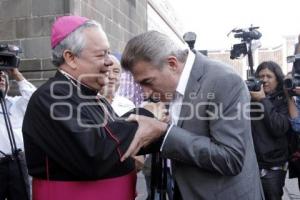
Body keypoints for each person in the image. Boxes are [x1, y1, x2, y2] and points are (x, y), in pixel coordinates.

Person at [22, 16, 154, 200]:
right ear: (71, 58)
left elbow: (114, 133)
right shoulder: (52, 97)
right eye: (101, 55)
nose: (110, 61)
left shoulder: (91, 95)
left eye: (108, 53)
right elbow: (95, 153)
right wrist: (146, 115)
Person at [120, 30, 264, 199]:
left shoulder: (224, 80)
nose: (146, 93)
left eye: (148, 82)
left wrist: (165, 132)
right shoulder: (171, 85)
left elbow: (230, 159)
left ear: (172, 64)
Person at [250, 61, 290, 200]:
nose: (264, 80)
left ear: (278, 79)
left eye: (269, 76)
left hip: (273, 167)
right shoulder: (251, 99)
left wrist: (263, 100)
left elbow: (279, 127)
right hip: (252, 164)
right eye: (261, 76)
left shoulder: (284, 99)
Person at [0, 69, 36, 200]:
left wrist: (16, 74)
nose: (1, 79)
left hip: (18, 162)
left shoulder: (16, 103)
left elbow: (34, 98)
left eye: (4, 77)